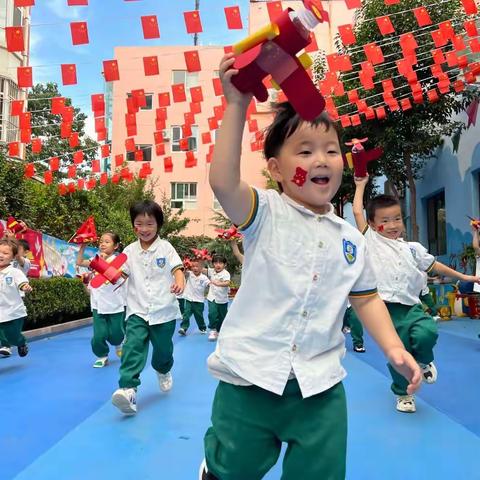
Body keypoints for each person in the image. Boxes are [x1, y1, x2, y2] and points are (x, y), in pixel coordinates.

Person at [199, 53, 422, 480]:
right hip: (250, 379)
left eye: (331, 150)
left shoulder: (351, 240)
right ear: (276, 170)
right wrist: (235, 105)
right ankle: (217, 467)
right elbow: (223, 181)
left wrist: (393, 348)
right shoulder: (263, 213)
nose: (322, 159)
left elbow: (367, 298)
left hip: (319, 386)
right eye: (305, 150)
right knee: (235, 468)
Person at [353, 175, 480, 413]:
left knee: (428, 332)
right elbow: (357, 211)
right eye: (385, 220)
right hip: (385, 311)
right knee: (399, 354)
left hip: (411, 307)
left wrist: (466, 277)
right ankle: (403, 395)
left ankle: (423, 361)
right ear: (372, 224)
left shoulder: (412, 249)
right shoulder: (370, 240)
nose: (393, 225)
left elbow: (435, 267)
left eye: (397, 219)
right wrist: (360, 185)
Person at [111, 200, 185, 415]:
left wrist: (180, 282)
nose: (144, 229)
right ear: (133, 225)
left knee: (163, 351)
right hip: (137, 310)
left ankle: (163, 370)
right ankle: (128, 389)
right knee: (132, 348)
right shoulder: (128, 251)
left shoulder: (166, 247)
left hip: (163, 310)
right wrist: (108, 276)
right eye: (139, 224)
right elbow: (121, 275)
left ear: (158, 225)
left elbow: (177, 269)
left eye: (149, 224)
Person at [76, 232, 126, 368]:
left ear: (115, 246)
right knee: (99, 335)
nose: (102, 244)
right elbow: (79, 262)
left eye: (107, 242)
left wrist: (101, 264)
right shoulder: (95, 259)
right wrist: (82, 247)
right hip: (98, 304)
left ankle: (118, 344)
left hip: (116, 304)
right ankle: (102, 355)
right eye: (101, 242)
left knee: (116, 334)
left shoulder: (120, 261)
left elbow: (117, 278)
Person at [0, 239, 32, 358]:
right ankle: (5, 345)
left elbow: (22, 283)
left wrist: (25, 286)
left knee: (12, 336)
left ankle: (21, 342)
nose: (0, 255)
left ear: (13, 257)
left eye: (5, 253)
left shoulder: (14, 272)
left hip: (14, 312)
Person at [178, 259, 210, 336]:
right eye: (193, 266)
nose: (195, 268)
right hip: (188, 299)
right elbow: (183, 272)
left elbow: (209, 284)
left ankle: (202, 327)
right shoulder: (189, 274)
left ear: (202, 268)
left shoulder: (204, 278)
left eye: (197, 266)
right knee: (186, 315)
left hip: (199, 301)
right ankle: (183, 328)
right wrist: (185, 265)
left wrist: (212, 285)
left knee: (199, 316)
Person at [206, 255, 231, 341]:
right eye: (215, 263)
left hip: (222, 299)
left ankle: (220, 331)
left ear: (225, 265)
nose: (218, 265)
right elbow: (201, 269)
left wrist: (218, 283)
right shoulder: (211, 271)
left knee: (222, 316)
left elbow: (227, 283)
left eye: (220, 263)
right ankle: (213, 330)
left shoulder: (226, 273)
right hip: (212, 297)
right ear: (213, 264)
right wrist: (201, 258)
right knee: (212, 314)